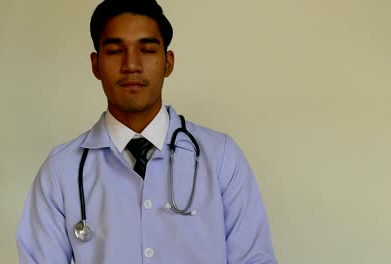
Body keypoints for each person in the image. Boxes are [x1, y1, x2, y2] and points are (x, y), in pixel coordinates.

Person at [16, 0, 278, 263]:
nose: (132, 64)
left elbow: (254, 259)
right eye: (116, 51)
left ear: (168, 63)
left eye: (147, 49)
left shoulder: (220, 156)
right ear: (96, 65)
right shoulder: (61, 170)